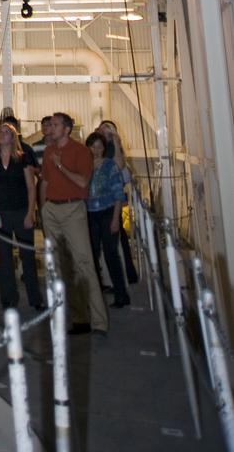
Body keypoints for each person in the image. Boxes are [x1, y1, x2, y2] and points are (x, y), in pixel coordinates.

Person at [41, 112, 108, 336]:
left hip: (73, 209)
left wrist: (61, 166)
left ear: (67, 129)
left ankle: (99, 321)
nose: (52, 127)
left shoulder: (81, 152)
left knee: (84, 263)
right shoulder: (49, 151)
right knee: (60, 267)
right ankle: (75, 318)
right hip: (52, 209)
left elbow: (82, 181)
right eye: (52, 124)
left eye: (57, 124)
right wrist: (43, 209)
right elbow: (46, 181)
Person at [0, 122, 44, 310]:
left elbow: (31, 187)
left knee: (27, 255)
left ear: (13, 136)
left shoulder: (22, 158)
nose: (2, 134)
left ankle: (35, 299)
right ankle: (8, 298)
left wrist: (31, 213)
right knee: (4, 257)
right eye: (0, 131)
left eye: (6, 132)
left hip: (21, 211)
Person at [85, 132, 130, 308]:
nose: (96, 150)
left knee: (111, 254)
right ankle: (96, 296)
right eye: (93, 146)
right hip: (89, 214)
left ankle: (121, 294)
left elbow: (118, 192)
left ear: (104, 148)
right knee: (93, 254)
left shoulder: (110, 165)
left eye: (99, 146)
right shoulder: (85, 166)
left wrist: (115, 219)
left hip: (107, 212)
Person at [96, 119, 139, 284]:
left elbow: (120, 165)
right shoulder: (97, 148)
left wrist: (114, 139)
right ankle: (109, 277)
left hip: (112, 200)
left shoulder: (114, 149)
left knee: (118, 238)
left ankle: (126, 274)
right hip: (99, 201)